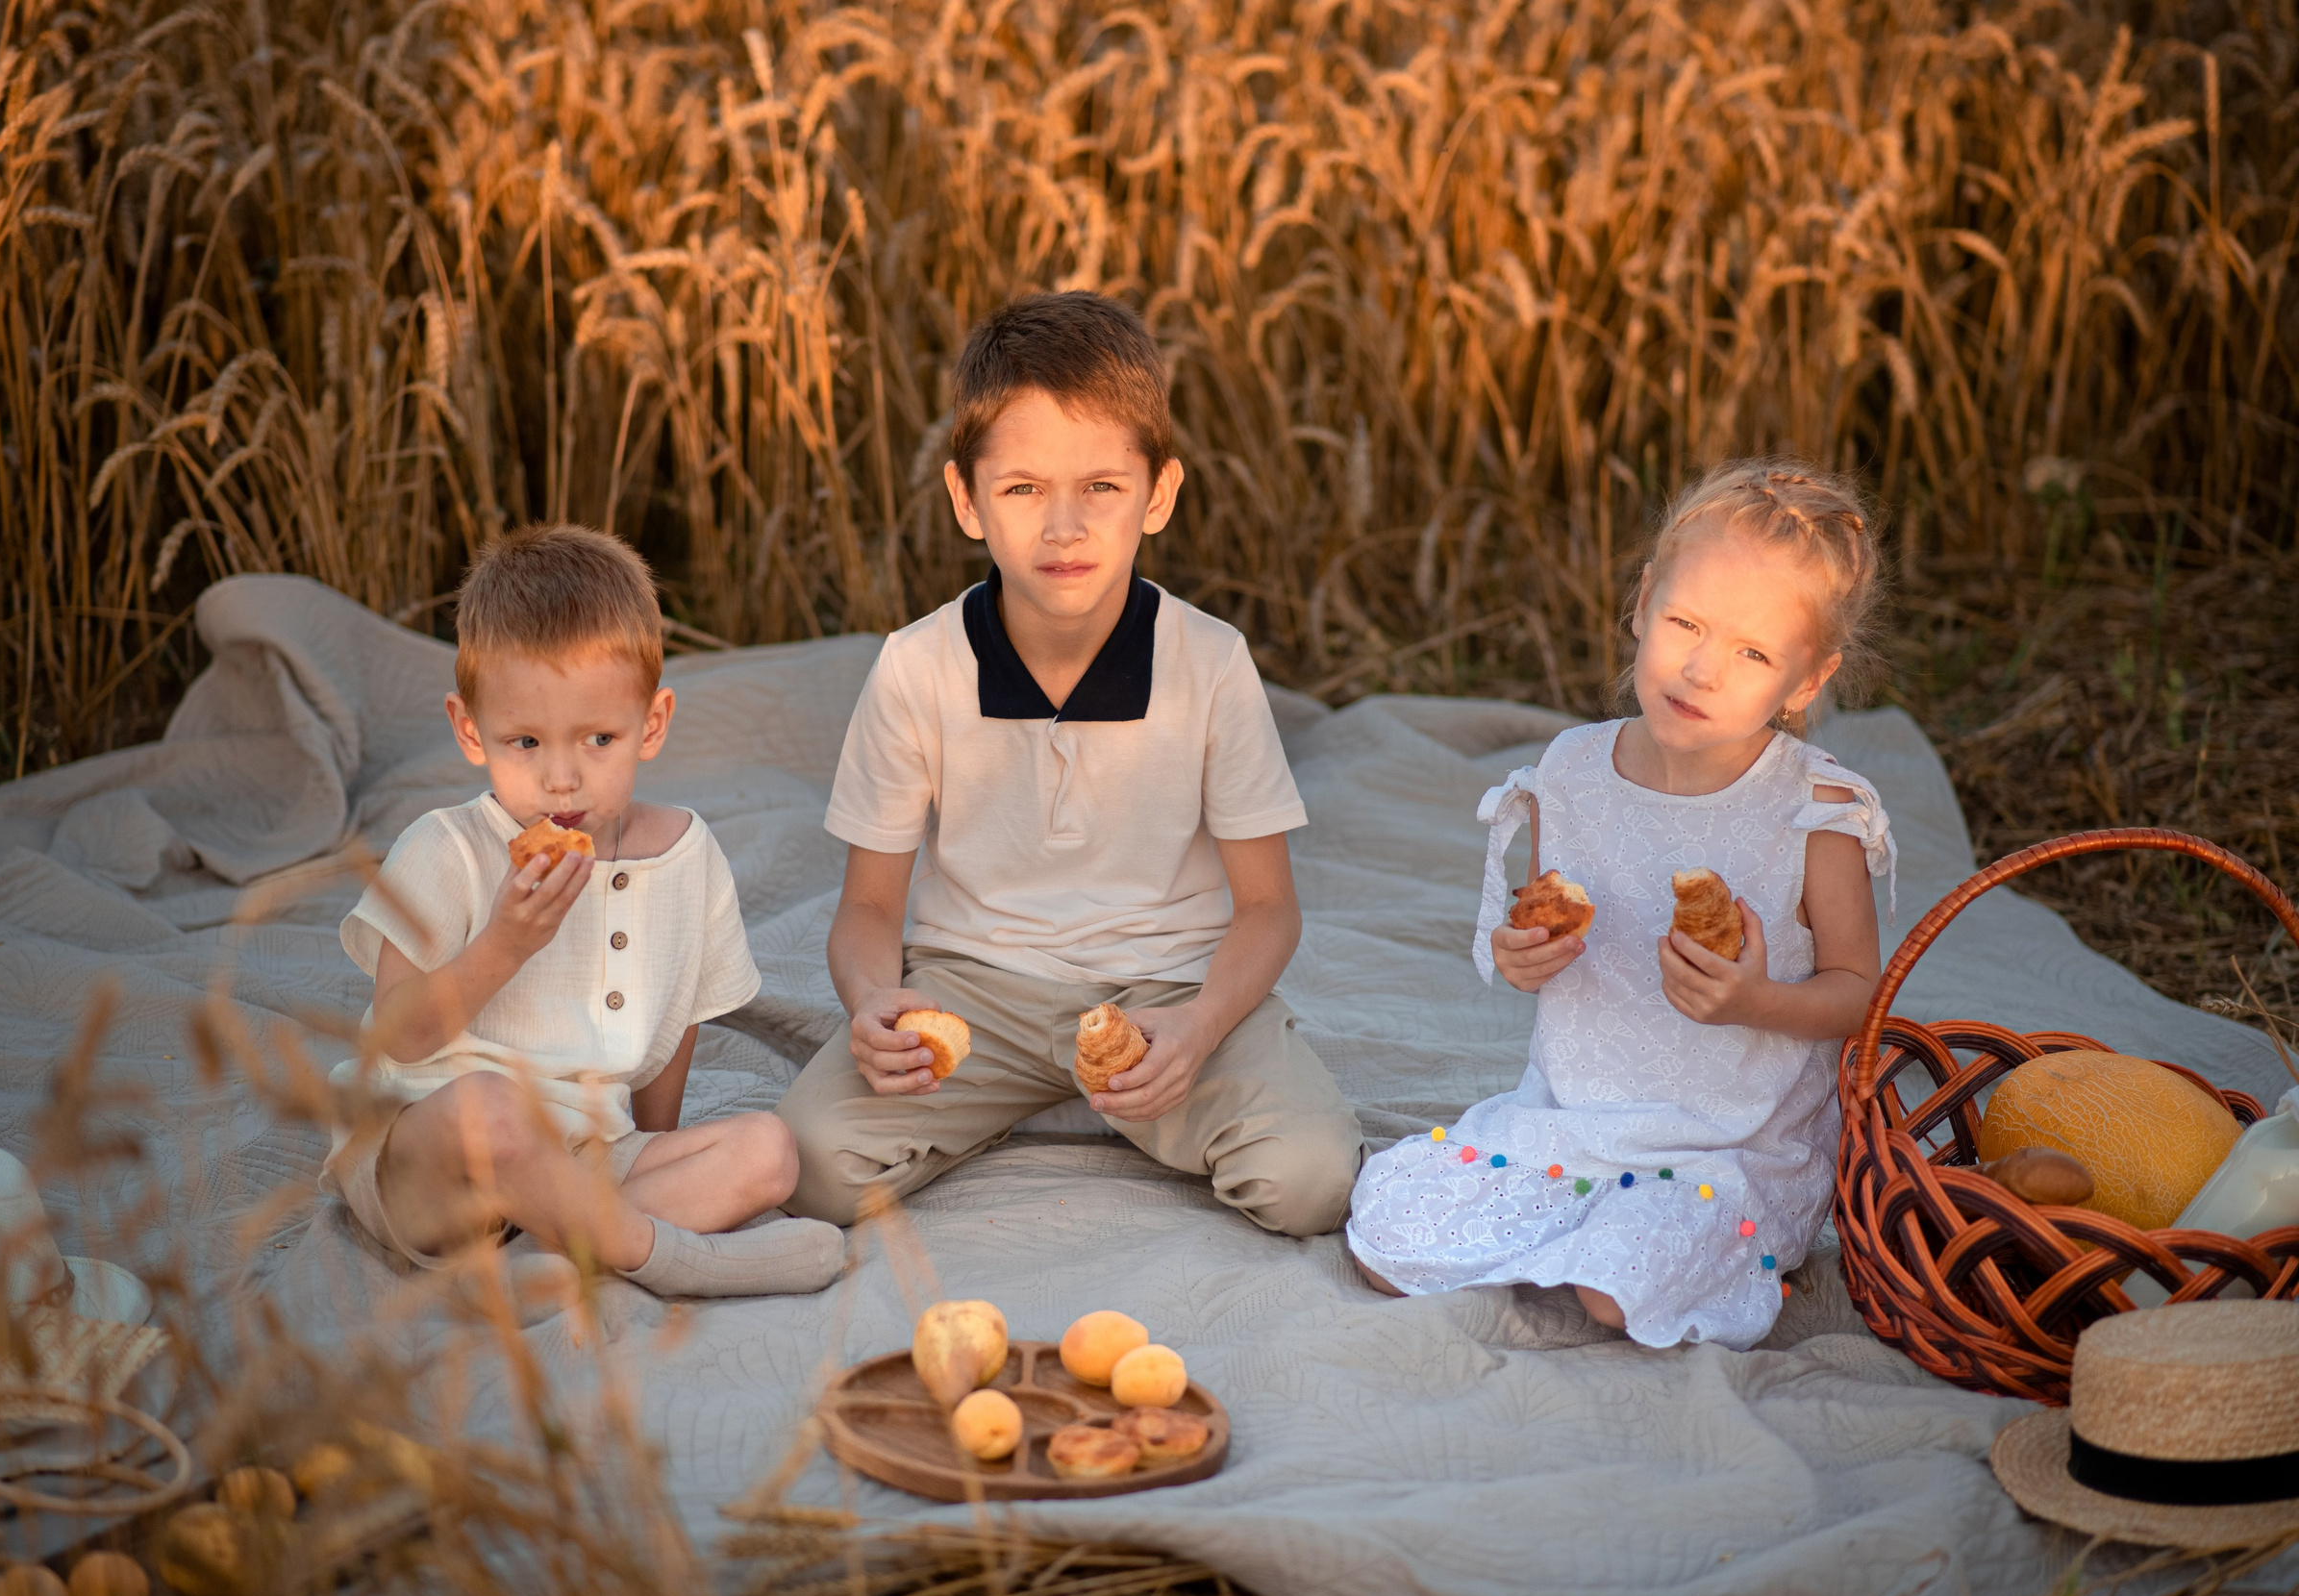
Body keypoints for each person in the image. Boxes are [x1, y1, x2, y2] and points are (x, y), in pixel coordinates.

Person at [776, 290, 1364, 1234]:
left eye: (1100, 486)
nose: (1063, 526)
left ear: (1158, 494)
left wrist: (1203, 1024)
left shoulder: (1208, 662)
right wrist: (876, 1002)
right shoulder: (917, 665)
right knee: (804, 1166)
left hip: (1167, 988)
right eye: (1021, 489)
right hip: (975, 989)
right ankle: (1030, 1095)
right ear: (967, 500)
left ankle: (1123, 1097)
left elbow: (1267, 908)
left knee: (1311, 1180)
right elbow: (870, 906)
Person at [1346, 459, 1897, 1348]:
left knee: (1615, 1288)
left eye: (1753, 653)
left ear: (1806, 681)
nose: (1703, 668)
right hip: (1576, 1118)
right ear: (1643, 603)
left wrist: (1757, 1001)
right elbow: (1541, 937)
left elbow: (1861, 991)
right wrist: (1523, 955)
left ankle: (1682, 1243)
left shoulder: (1815, 814)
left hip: (1732, 1146)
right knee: (1393, 1234)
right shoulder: (1569, 772)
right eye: (1685, 622)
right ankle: (1572, 1218)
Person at [325, 524, 843, 1297]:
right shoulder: (449, 848)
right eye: (525, 741)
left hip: (584, 1150)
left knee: (769, 1150)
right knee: (492, 1109)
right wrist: (505, 943)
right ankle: (674, 1260)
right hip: (432, 1156)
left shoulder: (685, 856)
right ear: (472, 730)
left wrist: (653, 1147)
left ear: (653, 723)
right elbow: (396, 1038)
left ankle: (551, 1253)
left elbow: (680, 1017)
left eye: (599, 738)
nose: (561, 780)